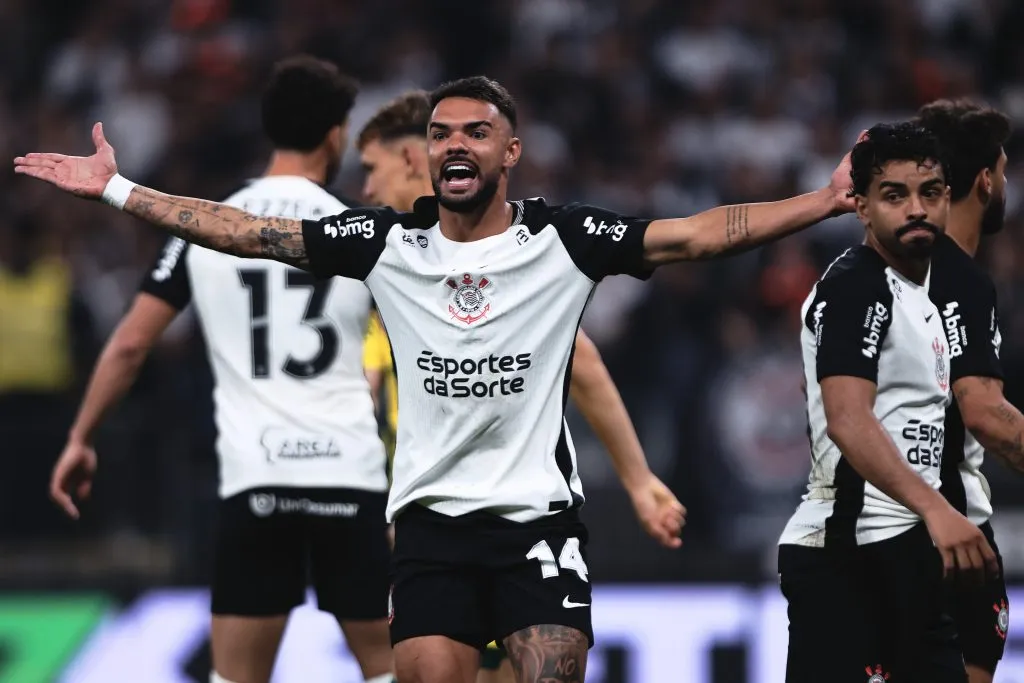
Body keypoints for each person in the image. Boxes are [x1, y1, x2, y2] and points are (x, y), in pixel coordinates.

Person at [17, 75, 859, 683]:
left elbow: (698, 235)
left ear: (511, 151)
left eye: (477, 132)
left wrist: (820, 203)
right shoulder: (387, 244)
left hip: (535, 522)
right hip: (429, 530)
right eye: (443, 133)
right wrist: (116, 188)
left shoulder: (563, 241)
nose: (456, 144)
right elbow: (244, 232)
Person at [45, 56, 395, 683]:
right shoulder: (359, 230)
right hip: (349, 475)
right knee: (389, 670)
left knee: (236, 677)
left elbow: (130, 345)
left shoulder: (205, 225)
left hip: (256, 477)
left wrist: (81, 437)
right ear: (336, 133)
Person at [355, 90, 686, 683]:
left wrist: (639, 481)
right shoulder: (391, 258)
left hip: (505, 512)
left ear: (407, 160)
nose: (366, 188)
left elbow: (580, 358)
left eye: (371, 168)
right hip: (432, 514)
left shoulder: (488, 251)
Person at [778, 122, 1000, 683]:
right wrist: (938, 509)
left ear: (948, 198)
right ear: (862, 208)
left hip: (909, 550)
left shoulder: (919, 297)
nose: (916, 209)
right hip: (849, 554)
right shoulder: (857, 284)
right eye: (894, 196)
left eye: (930, 193)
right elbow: (847, 419)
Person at [917, 99, 1017, 683]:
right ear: (984, 181)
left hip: (872, 534)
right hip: (951, 538)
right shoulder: (958, 277)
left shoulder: (875, 272)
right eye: (1003, 172)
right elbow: (983, 411)